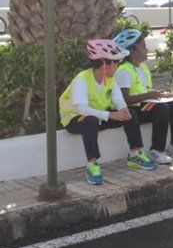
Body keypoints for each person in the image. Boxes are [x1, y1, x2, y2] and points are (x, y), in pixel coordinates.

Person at [59, 40, 156, 185]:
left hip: (99, 116)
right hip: (75, 119)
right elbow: (82, 109)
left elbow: (118, 99)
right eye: (115, 62)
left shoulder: (110, 79)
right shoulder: (82, 79)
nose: (117, 66)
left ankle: (135, 155)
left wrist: (123, 110)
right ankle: (92, 165)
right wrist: (110, 115)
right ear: (105, 64)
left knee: (130, 113)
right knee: (90, 120)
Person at [113, 29, 173, 164]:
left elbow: (146, 90)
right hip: (133, 109)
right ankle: (156, 150)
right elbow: (125, 99)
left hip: (145, 103)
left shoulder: (143, 68)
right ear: (133, 51)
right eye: (144, 47)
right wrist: (150, 95)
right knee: (161, 108)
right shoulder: (124, 71)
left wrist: (159, 94)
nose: (147, 50)